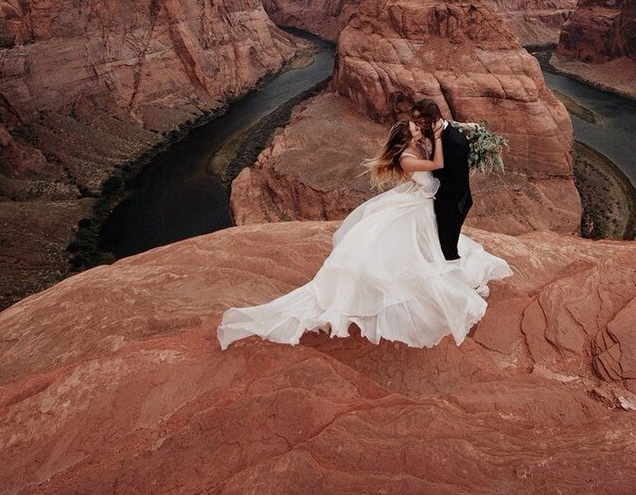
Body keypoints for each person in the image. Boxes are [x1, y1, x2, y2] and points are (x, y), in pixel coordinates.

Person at [217, 119, 511, 350]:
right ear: (405, 140)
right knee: (419, 257)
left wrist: (461, 136)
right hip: (421, 206)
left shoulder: (415, 148)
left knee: (435, 247)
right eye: (414, 131)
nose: (418, 132)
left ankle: (457, 277)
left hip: (426, 204)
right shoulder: (408, 158)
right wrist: (441, 142)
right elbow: (436, 169)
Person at [410, 99, 475, 261]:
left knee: (447, 247)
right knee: (439, 245)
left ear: (432, 119)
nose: (418, 124)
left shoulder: (454, 142)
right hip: (445, 199)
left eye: (420, 120)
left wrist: (434, 197)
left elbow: (457, 181)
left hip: (454, 203)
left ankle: (462, 283)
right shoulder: (438, 133)